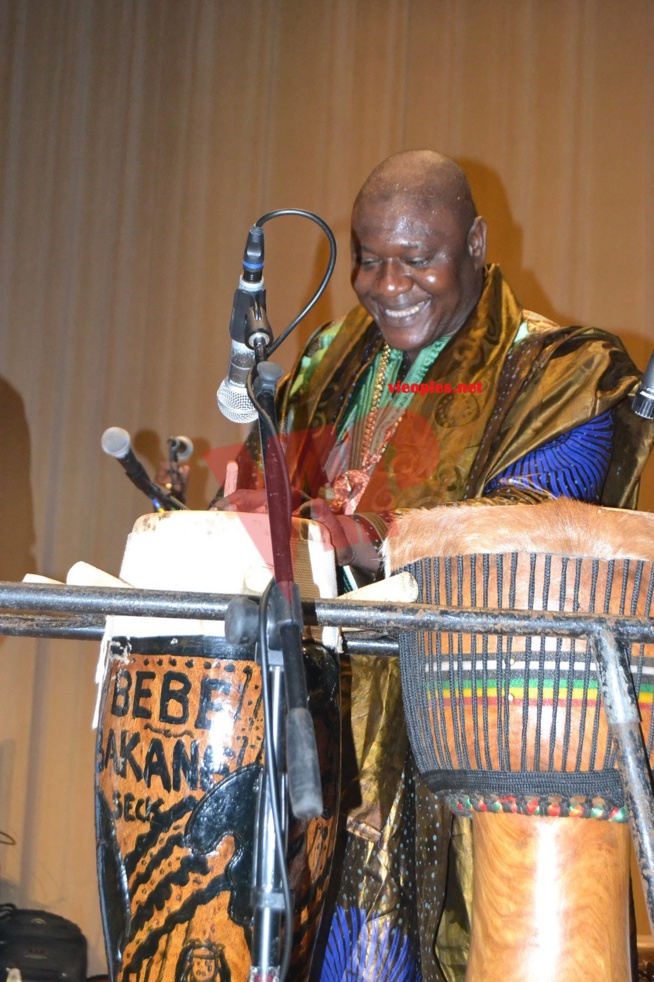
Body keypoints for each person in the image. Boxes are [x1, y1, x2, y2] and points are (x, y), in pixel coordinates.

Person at [214, 150, 654, 980]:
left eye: (418, 259)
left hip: (465, 748)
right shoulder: (332, 360)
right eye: (368, 259)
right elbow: (261, 489)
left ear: (479, 243)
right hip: (311, 731)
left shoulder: (562, 370)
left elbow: (528, 532)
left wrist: (371, 542)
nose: (387, 285)